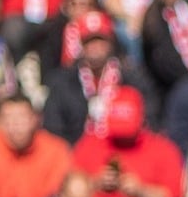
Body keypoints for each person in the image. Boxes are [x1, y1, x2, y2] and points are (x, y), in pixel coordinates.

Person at [69, 87, 186, 197]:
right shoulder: (89, 144)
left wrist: (140, 190)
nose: (122, 138)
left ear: (141, 120)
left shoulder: (163, 149)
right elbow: (68, 192)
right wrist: (95, 183)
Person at [41, 11, 139, 145]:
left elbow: (148, 118)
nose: (96, 47)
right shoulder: (63, 81)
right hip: (76, 156)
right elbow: (53, 127)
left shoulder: (131, 78)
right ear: (81, 45)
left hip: (120, 152)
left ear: (111, 43)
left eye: (101, 40)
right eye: (89, 41)